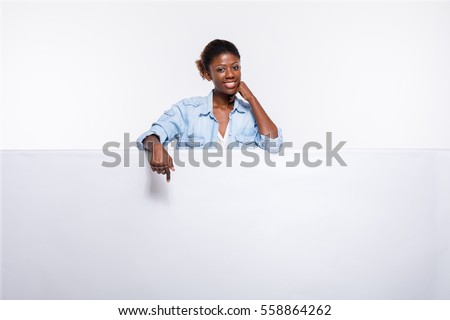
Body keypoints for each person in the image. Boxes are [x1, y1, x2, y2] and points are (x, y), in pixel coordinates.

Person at [136, 39, 283, 182]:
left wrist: (251, 98)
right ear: (207, 74)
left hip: (241, 198)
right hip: (195, 198)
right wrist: (155, 145)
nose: (230, 74)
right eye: (221, 69)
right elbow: (151, 135)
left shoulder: (250, 114)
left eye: (235, 67)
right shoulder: (188, 110)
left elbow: (274, 147)